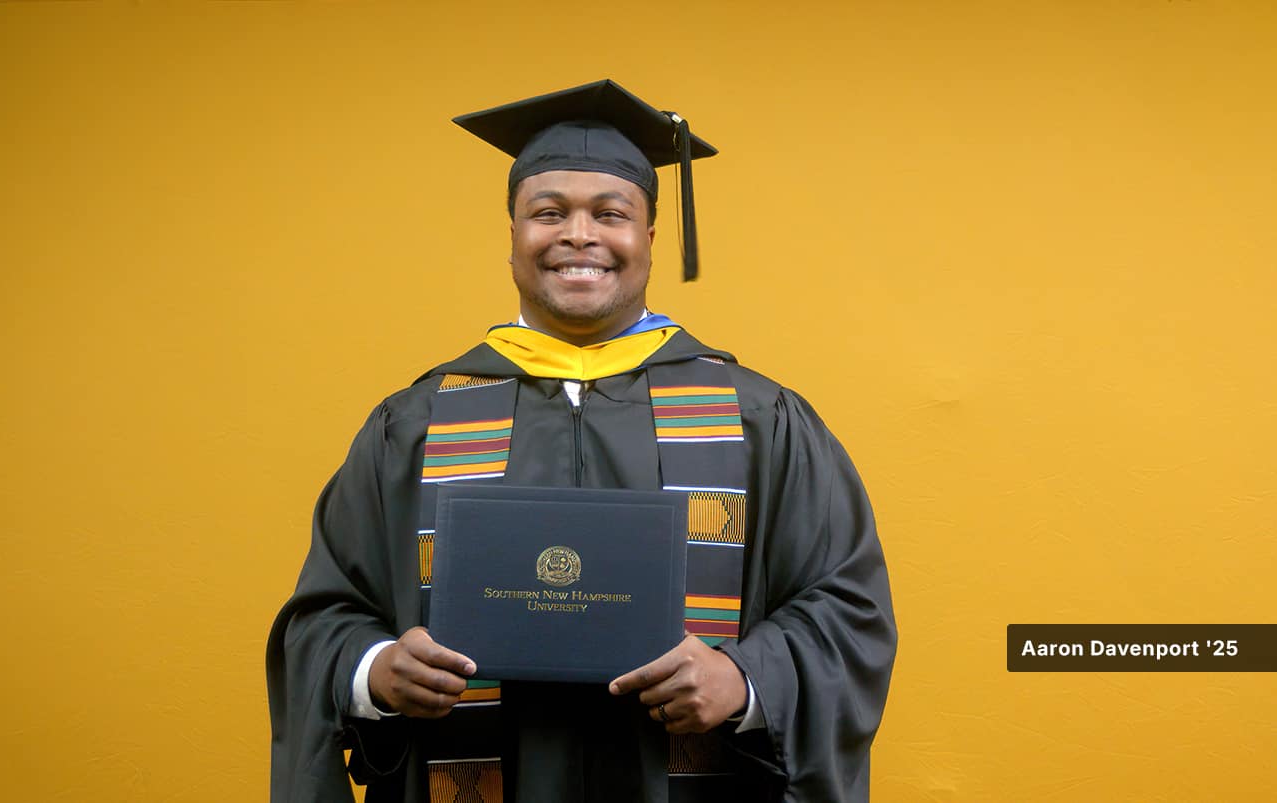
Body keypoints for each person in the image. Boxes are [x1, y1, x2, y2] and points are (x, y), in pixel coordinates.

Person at [267, 80, 897, 803]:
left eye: (610, 213)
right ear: (511, 236)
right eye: (548, 212)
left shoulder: (758, 419)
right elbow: (324, 616)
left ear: (649, 240)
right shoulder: (415, 423)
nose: (578, 235)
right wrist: (373, 670)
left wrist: (744, 678)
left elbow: (848, 610)